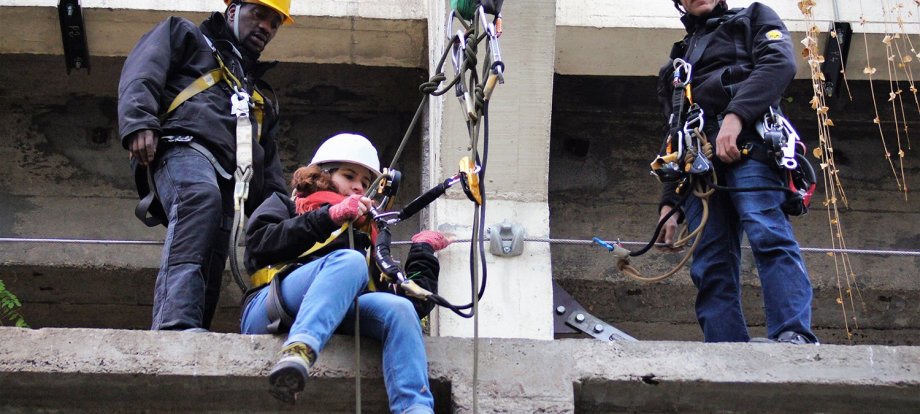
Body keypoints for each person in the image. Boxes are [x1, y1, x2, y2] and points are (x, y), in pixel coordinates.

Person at [117, 0, 294, 331]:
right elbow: (143, 70)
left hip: (231, 180)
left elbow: (271, 178)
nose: (266, 27)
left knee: (214, 246)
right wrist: (139, 121)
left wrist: (289, 220)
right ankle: (174, 325)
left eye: (275, 23)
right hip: (183, 148)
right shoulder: (184, 36)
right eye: (259, 15)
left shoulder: (259, 99)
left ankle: (193, 337)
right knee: (199, 197)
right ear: (232, 11)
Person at [241, 133, 448, 413]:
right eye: (349, 176)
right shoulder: (287, 205)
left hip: (338, 315)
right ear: (323, 176)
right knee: (350, 263)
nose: (358, 188)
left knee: (399, 309)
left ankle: (416, 408)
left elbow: (413, 303)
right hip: (271, 308)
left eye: (365, 183)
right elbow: (258, 244)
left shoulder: (367, 239)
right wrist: (329, 216)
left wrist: (422, 253)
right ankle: (299, 350)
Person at [655, 0, 818, 344]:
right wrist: (669, 203)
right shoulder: (677, 66)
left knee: (767, 232)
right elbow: (674, 131)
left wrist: (736, 116)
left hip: (748, 144)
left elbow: (779, 63)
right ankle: (726, 351)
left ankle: (792, 336)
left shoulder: (754, 17)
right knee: (710, 265)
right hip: (699, 166)